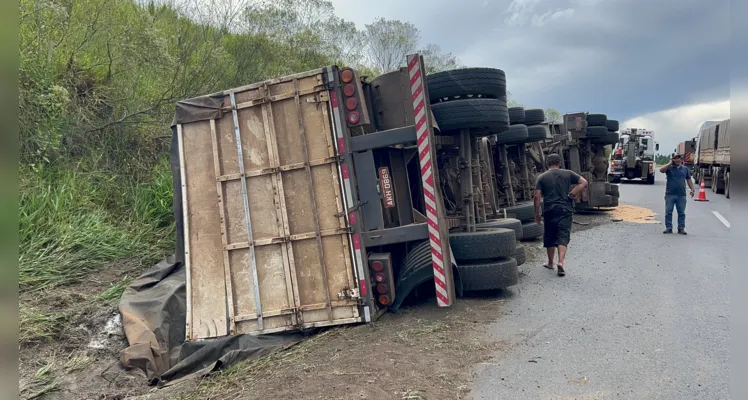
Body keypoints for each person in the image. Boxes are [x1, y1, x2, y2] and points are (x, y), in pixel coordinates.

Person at [533, 154, 588, 276]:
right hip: (565, 209)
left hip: (550, 210)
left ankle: (550, 263)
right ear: (560, 163)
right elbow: (584, 182)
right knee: (563, 235)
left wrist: (537, 213)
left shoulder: (541, 177)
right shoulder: (568, 173)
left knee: (550, 235)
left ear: (547, 164)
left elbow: (537, 197)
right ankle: (561, 262)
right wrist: (572, 194)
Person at [659, 153, 695, 234]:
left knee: (681, 212)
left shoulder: (685, 169)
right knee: (668, 211)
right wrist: (669, 163)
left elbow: (688, 180)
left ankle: (681, 228)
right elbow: (661, 170)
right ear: (673, 160)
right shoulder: (669, 168)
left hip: (681, 195)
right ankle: (669, 228)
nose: (677, 159)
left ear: (681, 159)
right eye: (675, 158)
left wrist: (692, 189)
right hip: (670, 194)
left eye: (678, 158)